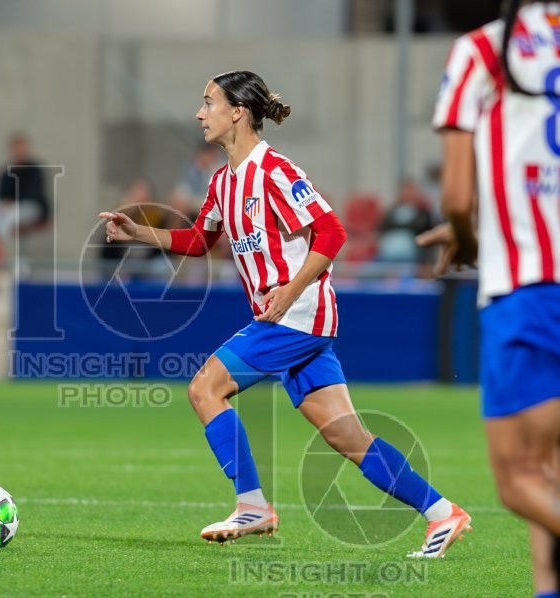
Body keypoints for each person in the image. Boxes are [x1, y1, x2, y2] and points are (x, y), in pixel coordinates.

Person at [100, 70, 470, 556]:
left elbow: (332, 234)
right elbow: (199, 241)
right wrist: (138, 234)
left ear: (238, 112)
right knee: (347, 436)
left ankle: (252, 504)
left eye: (208, 102)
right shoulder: (222, 182)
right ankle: (444, 514)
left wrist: (290, 292)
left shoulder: (274, 171)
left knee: (204, 387)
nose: (199, 113)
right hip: (292, 320)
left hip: (297, 317)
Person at [419, 0, 560, 593]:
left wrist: (472, 234)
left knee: (521, 478)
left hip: (529, 289)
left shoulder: (484, 49)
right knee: (552, 467)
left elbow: (455, 195)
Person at [0, 133, 50, 238]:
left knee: (10, 216)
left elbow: (32, 193)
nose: (18, 151)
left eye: (21, 148)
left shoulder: (35, 170)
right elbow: (1, 193)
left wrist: (12, 202)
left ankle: (2, 247)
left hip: (31, 206)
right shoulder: (7, 171)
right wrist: (4, 202)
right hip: (9, 206)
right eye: (15, 148)